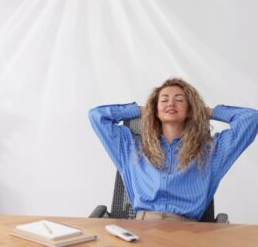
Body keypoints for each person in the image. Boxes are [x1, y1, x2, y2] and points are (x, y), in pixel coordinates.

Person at [88, 78, 258, 221]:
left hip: (187, 232)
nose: (171, 103)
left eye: (179, 99)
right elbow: (97, 116)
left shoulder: (211, 151)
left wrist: (204, 111)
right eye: (164, 100)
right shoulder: (131, 148)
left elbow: (250, 119)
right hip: (142, 228)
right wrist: (143, 109)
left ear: (190, 109)